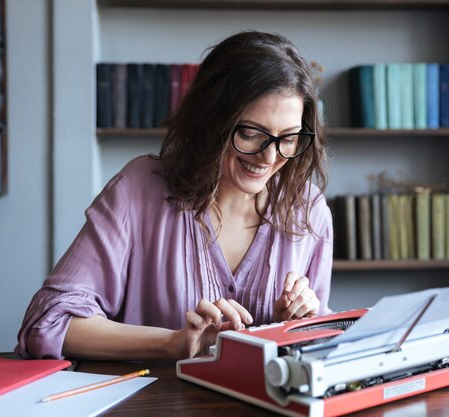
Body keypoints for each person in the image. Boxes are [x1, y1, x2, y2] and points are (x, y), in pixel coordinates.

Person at [16, 30, 333, 361]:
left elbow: (322, 349)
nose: (270, 157)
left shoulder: (310, 211)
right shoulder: (137, 190)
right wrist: (172, 343)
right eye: (251, 133)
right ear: (212, 121)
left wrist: (299, 326)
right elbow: (48, 322)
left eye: (290, 137)